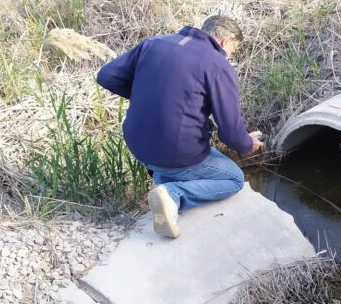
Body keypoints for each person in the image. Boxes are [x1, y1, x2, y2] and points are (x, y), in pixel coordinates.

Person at [96, 15, 263, 239]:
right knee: (233, 178)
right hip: (177, 152)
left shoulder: (154, 43)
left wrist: (145, 96)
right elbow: (231, 132)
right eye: (234, 49)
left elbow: (106, 76)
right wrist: (247, 144)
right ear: (226, 40)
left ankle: (163, 185)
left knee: (180, 156)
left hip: (138, 144)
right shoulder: (216, 62)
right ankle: (173, 194)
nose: (230, 56)